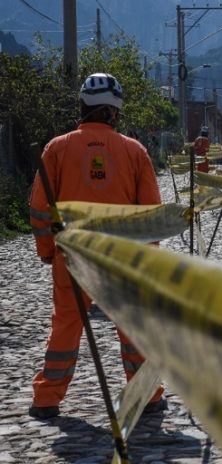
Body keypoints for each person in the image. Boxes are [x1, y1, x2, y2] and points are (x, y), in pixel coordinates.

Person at [28, 73, 167, 419]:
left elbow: (39, 209)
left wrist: (47, 250)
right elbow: (151, 214)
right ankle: (147, 395)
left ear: (83, 106)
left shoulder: (56, 148)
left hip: (71, 254)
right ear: (115, 111)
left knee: (66, 324)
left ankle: (46, 399)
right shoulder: (135, 151)